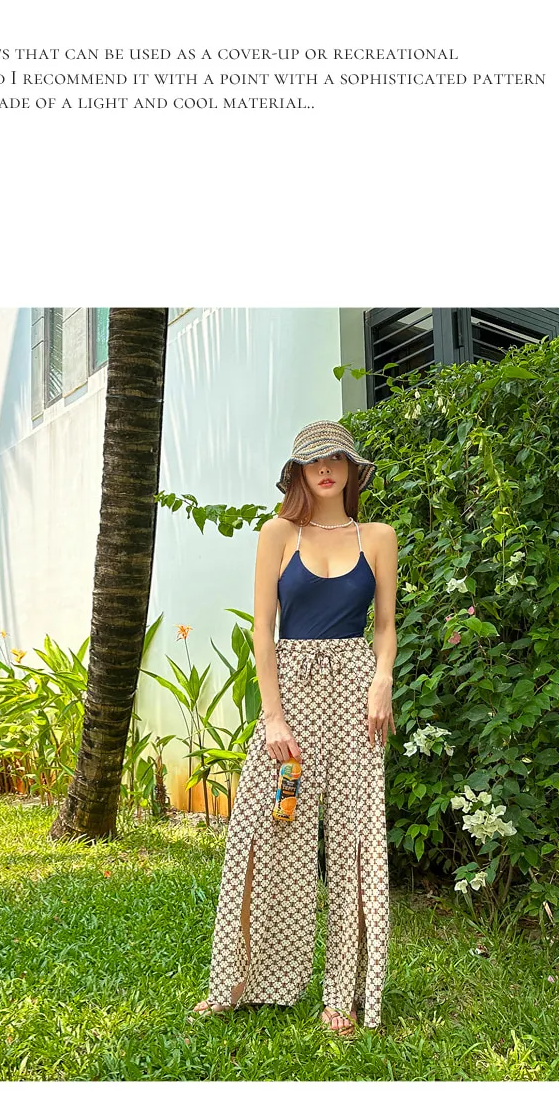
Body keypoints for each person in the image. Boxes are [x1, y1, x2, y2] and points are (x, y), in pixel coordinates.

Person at [196, 421, 396, 1035]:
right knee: (268, 832)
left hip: (357, 695)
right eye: (315, 461)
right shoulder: (278, 534)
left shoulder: (378, 536)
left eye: (336, 459)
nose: (326, 469)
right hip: (292, 693)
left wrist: (382, 680)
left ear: (351, 469)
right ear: (299, 473)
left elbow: (385, 624)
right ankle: (244, 981)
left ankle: (345, 996)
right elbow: (263, 629)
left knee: (357, 842)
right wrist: (273, 716)